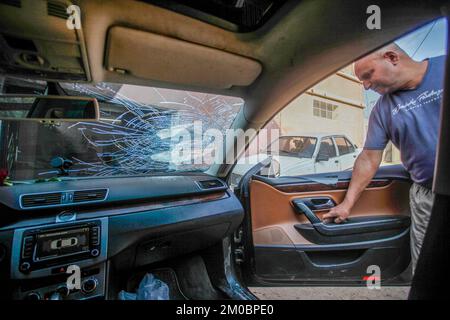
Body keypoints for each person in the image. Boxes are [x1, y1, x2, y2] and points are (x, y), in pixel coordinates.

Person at [322, 43, 445, 273]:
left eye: (368, 76)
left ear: (391, 58)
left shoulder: (444, 66)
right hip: (428, 196)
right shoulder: (383, 110)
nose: (367, 86)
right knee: (428, 269)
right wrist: (347, 204)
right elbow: (369, 157)